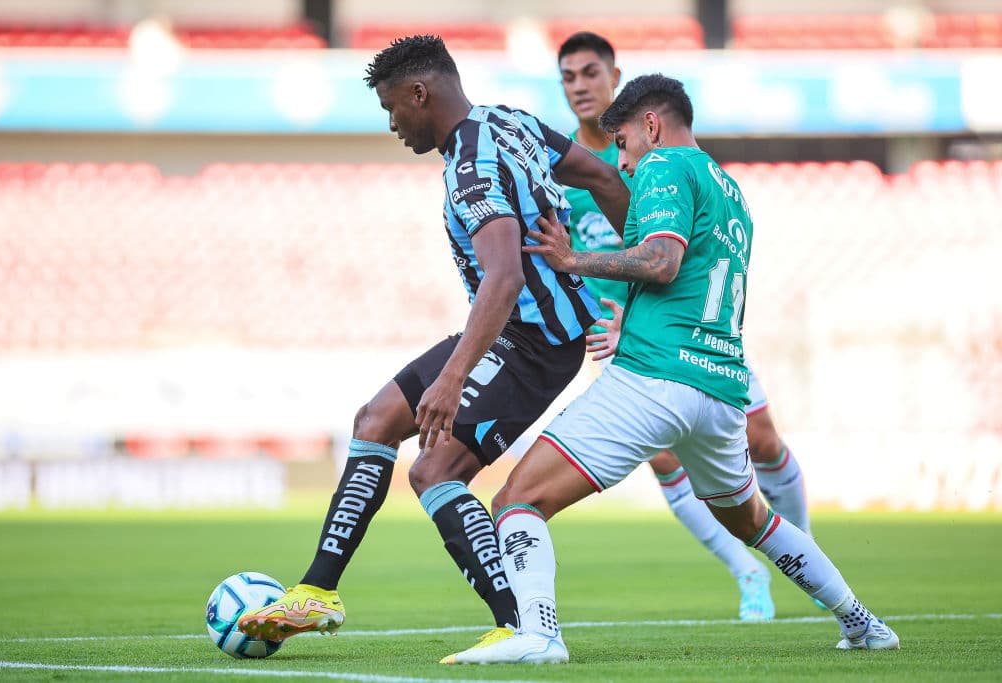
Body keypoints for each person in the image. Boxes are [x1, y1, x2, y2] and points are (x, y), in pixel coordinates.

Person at [443, 73, 899, 664]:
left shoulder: (664, 167)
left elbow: (661, 261)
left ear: (651, 126)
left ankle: (541, 634)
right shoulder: (729, 188)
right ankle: (863, 622)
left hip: (656, 379)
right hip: (723, 389)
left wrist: (570, 257)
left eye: (625, 145)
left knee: (516, 502)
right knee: (756, 520)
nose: (624, 164)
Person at [237, 34, 631, 649]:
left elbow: (503, 279)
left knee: (434, 467)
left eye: (394, 109)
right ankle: (316, 593)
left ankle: (520, 625)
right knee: (375, 420)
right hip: (509, 327)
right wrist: (633, 259)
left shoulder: (472, 166)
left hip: (534, 340)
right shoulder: (508, 121)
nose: (393, 124)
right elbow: (604, 175)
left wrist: (451, 380)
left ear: (421, 94)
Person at [558, 31, 819, 621]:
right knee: (666, 456)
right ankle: (748, 572)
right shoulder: (565, 169)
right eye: (568, 77)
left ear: (615, 77)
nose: (580, 86)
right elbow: (561, 257)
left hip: (696, 321)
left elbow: (676, 250)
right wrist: (605, 315)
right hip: (626, 330)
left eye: (590, 73)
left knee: (762, 439)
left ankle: (799, 550)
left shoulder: (660, 158)